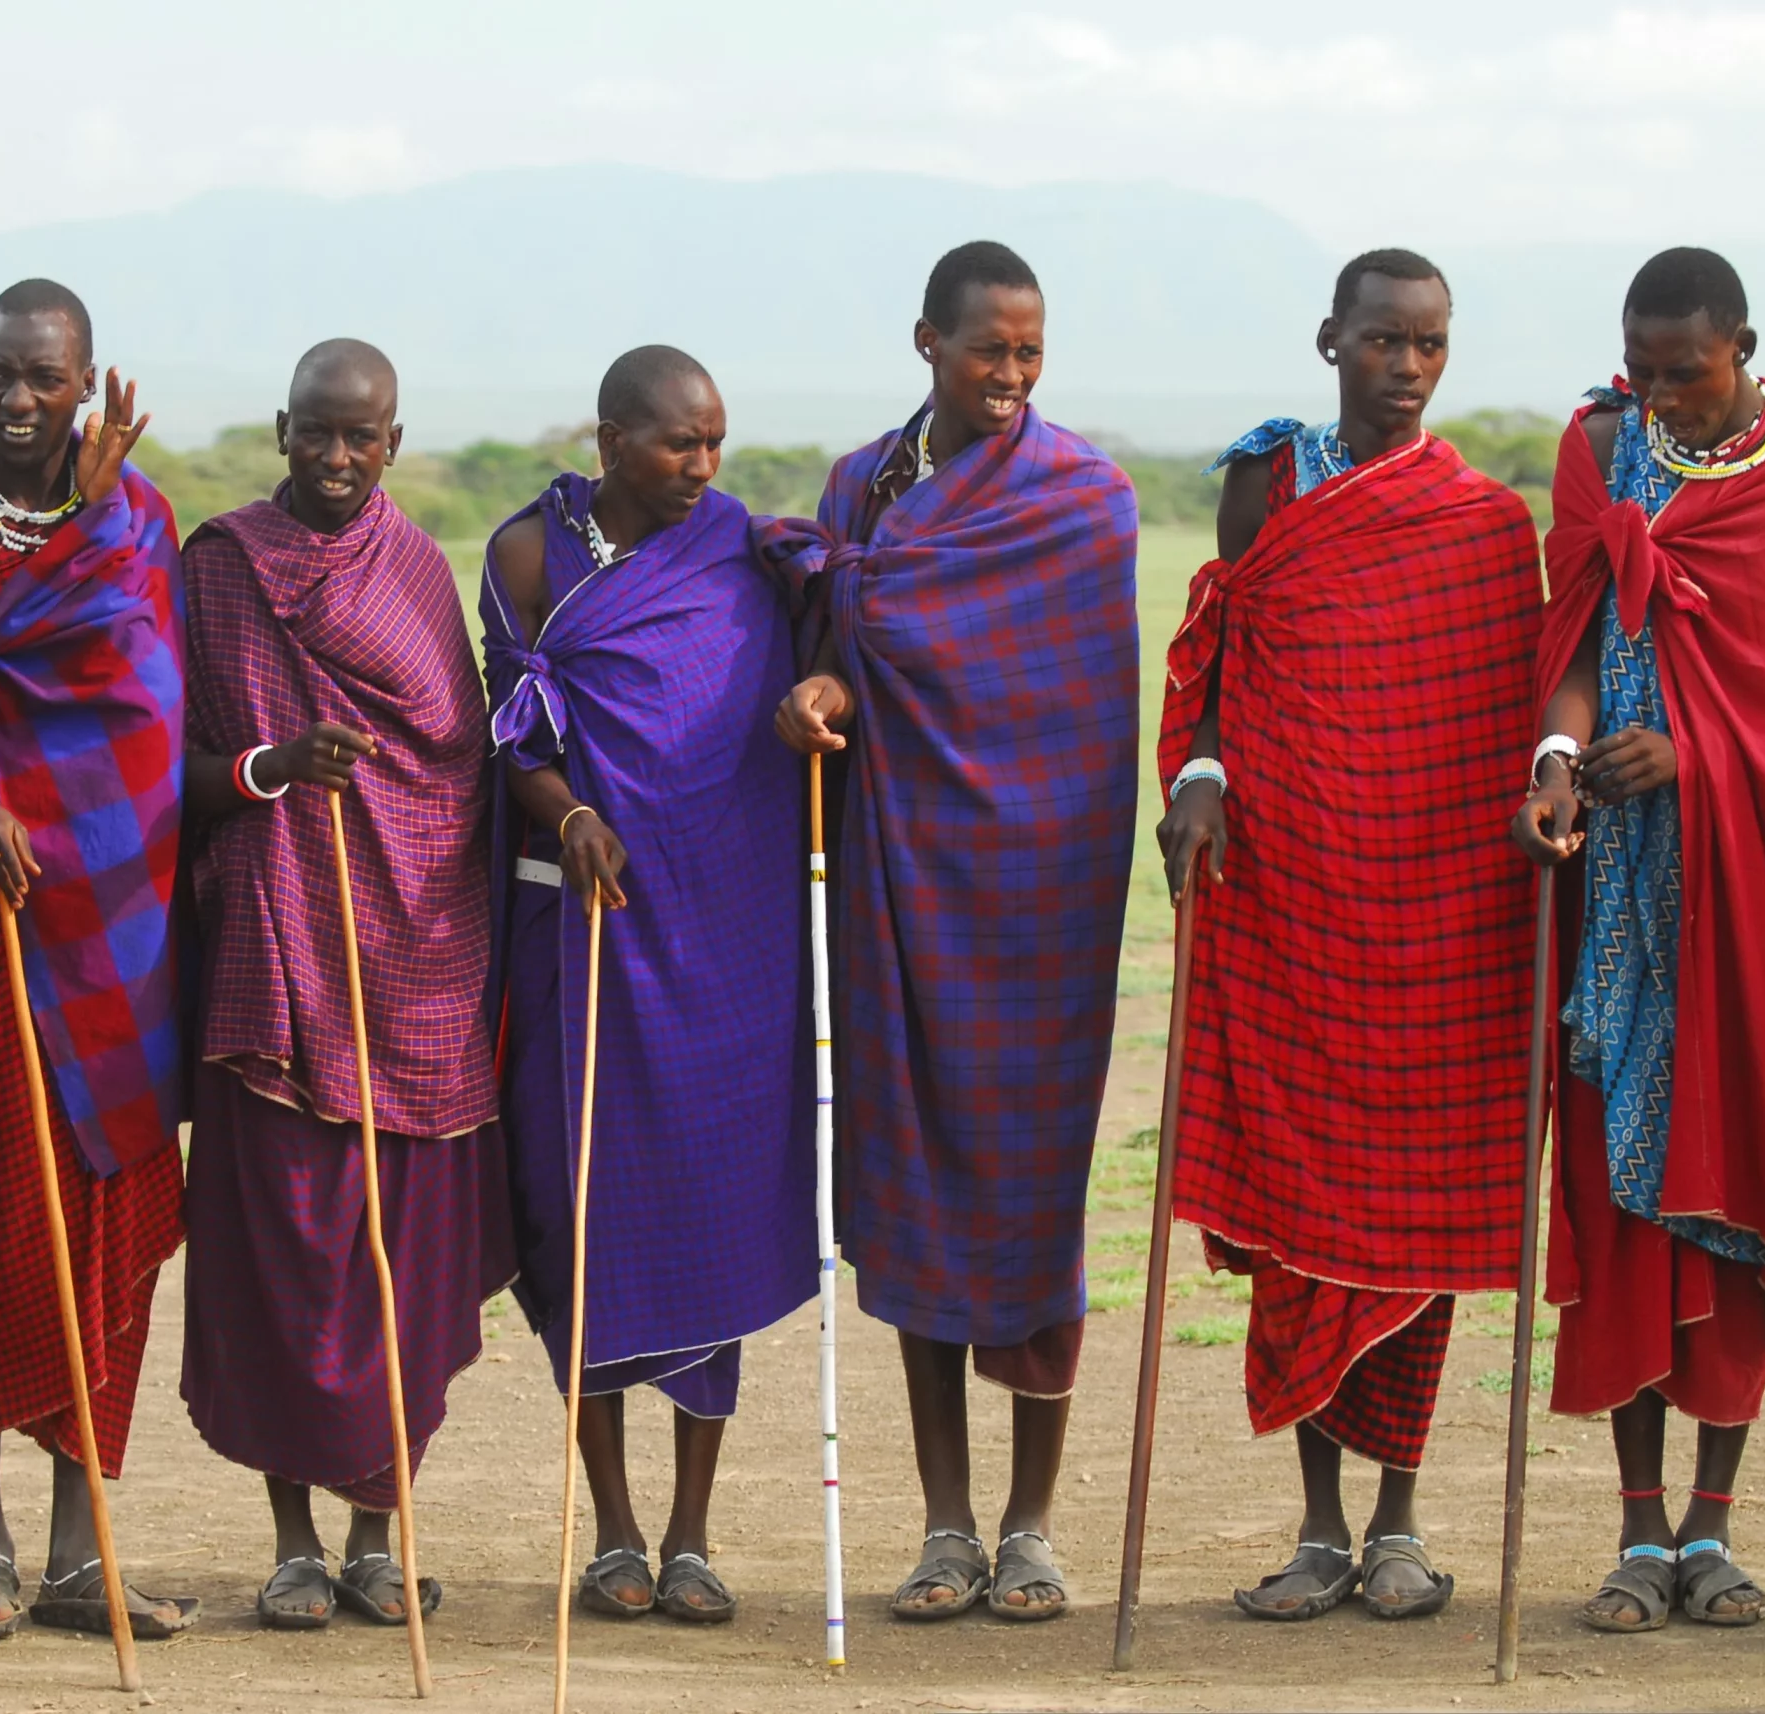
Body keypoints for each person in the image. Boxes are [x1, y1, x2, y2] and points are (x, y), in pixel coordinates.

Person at [1514, 247, 1765, 1633]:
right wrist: (1562, 754)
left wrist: (1691, 754)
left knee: (1739, 1209)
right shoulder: (1598, 446)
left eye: (1687, 372)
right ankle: (1635, 1530)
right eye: (1643, 370)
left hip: (1757, 907)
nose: (1664, 398)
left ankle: (1714, 1526)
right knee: (1620, 1208)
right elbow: (1571, 633)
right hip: (1616, 889)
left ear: (1745, 345)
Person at [1156, 250, 1542, 1621]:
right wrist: (1198, 778)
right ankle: (1318, 1526)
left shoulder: (1491, 526)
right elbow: (1220, 655)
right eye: (1383, 339)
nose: (1407, 364)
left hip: (1437, 927)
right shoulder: (1266, 485)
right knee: (1296, 1223)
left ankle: (1398, 1523)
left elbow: (1508, 720)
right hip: (1293, 908)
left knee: (1416, 1228)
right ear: (1331, 340)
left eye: (1430, 344)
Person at [764, 241, 1138, 1623]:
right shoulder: (863, 487)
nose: (1015, 377)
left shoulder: (1083, 499)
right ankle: (942, 1523)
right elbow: (826, 652)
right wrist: (814, 694)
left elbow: (1085, 711)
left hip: (1038, 894)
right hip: (896, 876)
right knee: (908, 1173)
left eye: (1034, 353)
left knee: (1034, 1191)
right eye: (992, 351)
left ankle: (1031, 1527)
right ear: (929, 340)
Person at [0, 279, 199, 1643]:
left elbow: (148, 717)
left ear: (85, 384)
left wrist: (89, 525)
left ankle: (80, 1548)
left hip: (109, 924)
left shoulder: (141, 518)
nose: (14, 403)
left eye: (41, 381)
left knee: (105, 1228)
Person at [179, 339, 512, 1629]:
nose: (334, 456)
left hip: (414, 962)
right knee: (285, 1258)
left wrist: (395, 836)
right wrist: (273, 765)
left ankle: (382, 1531)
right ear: (280, 428)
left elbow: (458, 763)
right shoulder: (219, 565)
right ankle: (293, 1541)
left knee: (396, 1260)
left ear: (392, 442)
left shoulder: (417, 569)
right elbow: (181, 765)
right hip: (277, 953)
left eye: (359, 437)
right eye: (314, 431)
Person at [482, 345, 813, 1624]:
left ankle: (691, 1533)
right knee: (578, 1216)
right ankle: (611, 1525)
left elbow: (814, 663)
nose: (703, 468)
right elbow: (514, 728)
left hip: (723, 929)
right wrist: (563, 814)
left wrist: (820, 687)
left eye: (716, 442)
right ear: (612, 438)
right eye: (680, 444)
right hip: (583, 929)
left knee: (710, 1207)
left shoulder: (746, 551)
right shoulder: (526, 557)